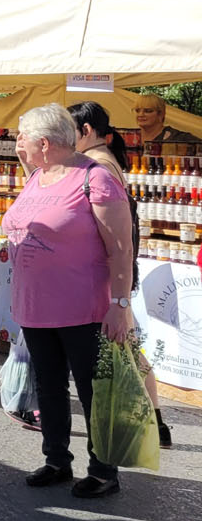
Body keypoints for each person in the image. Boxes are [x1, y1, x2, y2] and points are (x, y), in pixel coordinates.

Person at [2, 103, 134, 497]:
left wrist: (120, 304)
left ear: (44, 143)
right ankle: (56, 459)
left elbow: (121, 248)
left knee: (93, 391)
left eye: (22, 136)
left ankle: (103, 470)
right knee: (49, 386)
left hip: (82, 306)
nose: (17, 143)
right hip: (35, 305)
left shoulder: (95, 178)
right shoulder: (37, 176)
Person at [68, 100, 172, 448]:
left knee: (124, 345)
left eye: (69, 130)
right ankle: (154, 421)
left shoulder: (97, 165)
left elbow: (115, 232)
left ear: (85, 131)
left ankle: (152, 421)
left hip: (110, 270)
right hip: (114, 268)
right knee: (124, 344)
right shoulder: (101, 160)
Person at [132, 93, 199, 147]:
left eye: (148, 111)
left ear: (161, 114)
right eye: (137, 111)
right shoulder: (130, 137)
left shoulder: (178, 138)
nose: (140, 114)